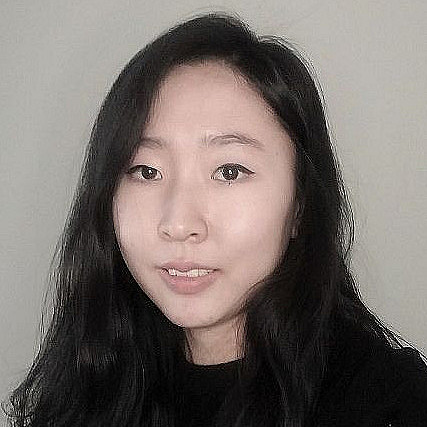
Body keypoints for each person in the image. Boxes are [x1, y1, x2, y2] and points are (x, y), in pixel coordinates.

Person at [4, 13, 427, 427]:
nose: (179, 223)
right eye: (146, 171)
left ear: (300, 203)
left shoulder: (391, 404)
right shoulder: (87, 387)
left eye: (229, 172)